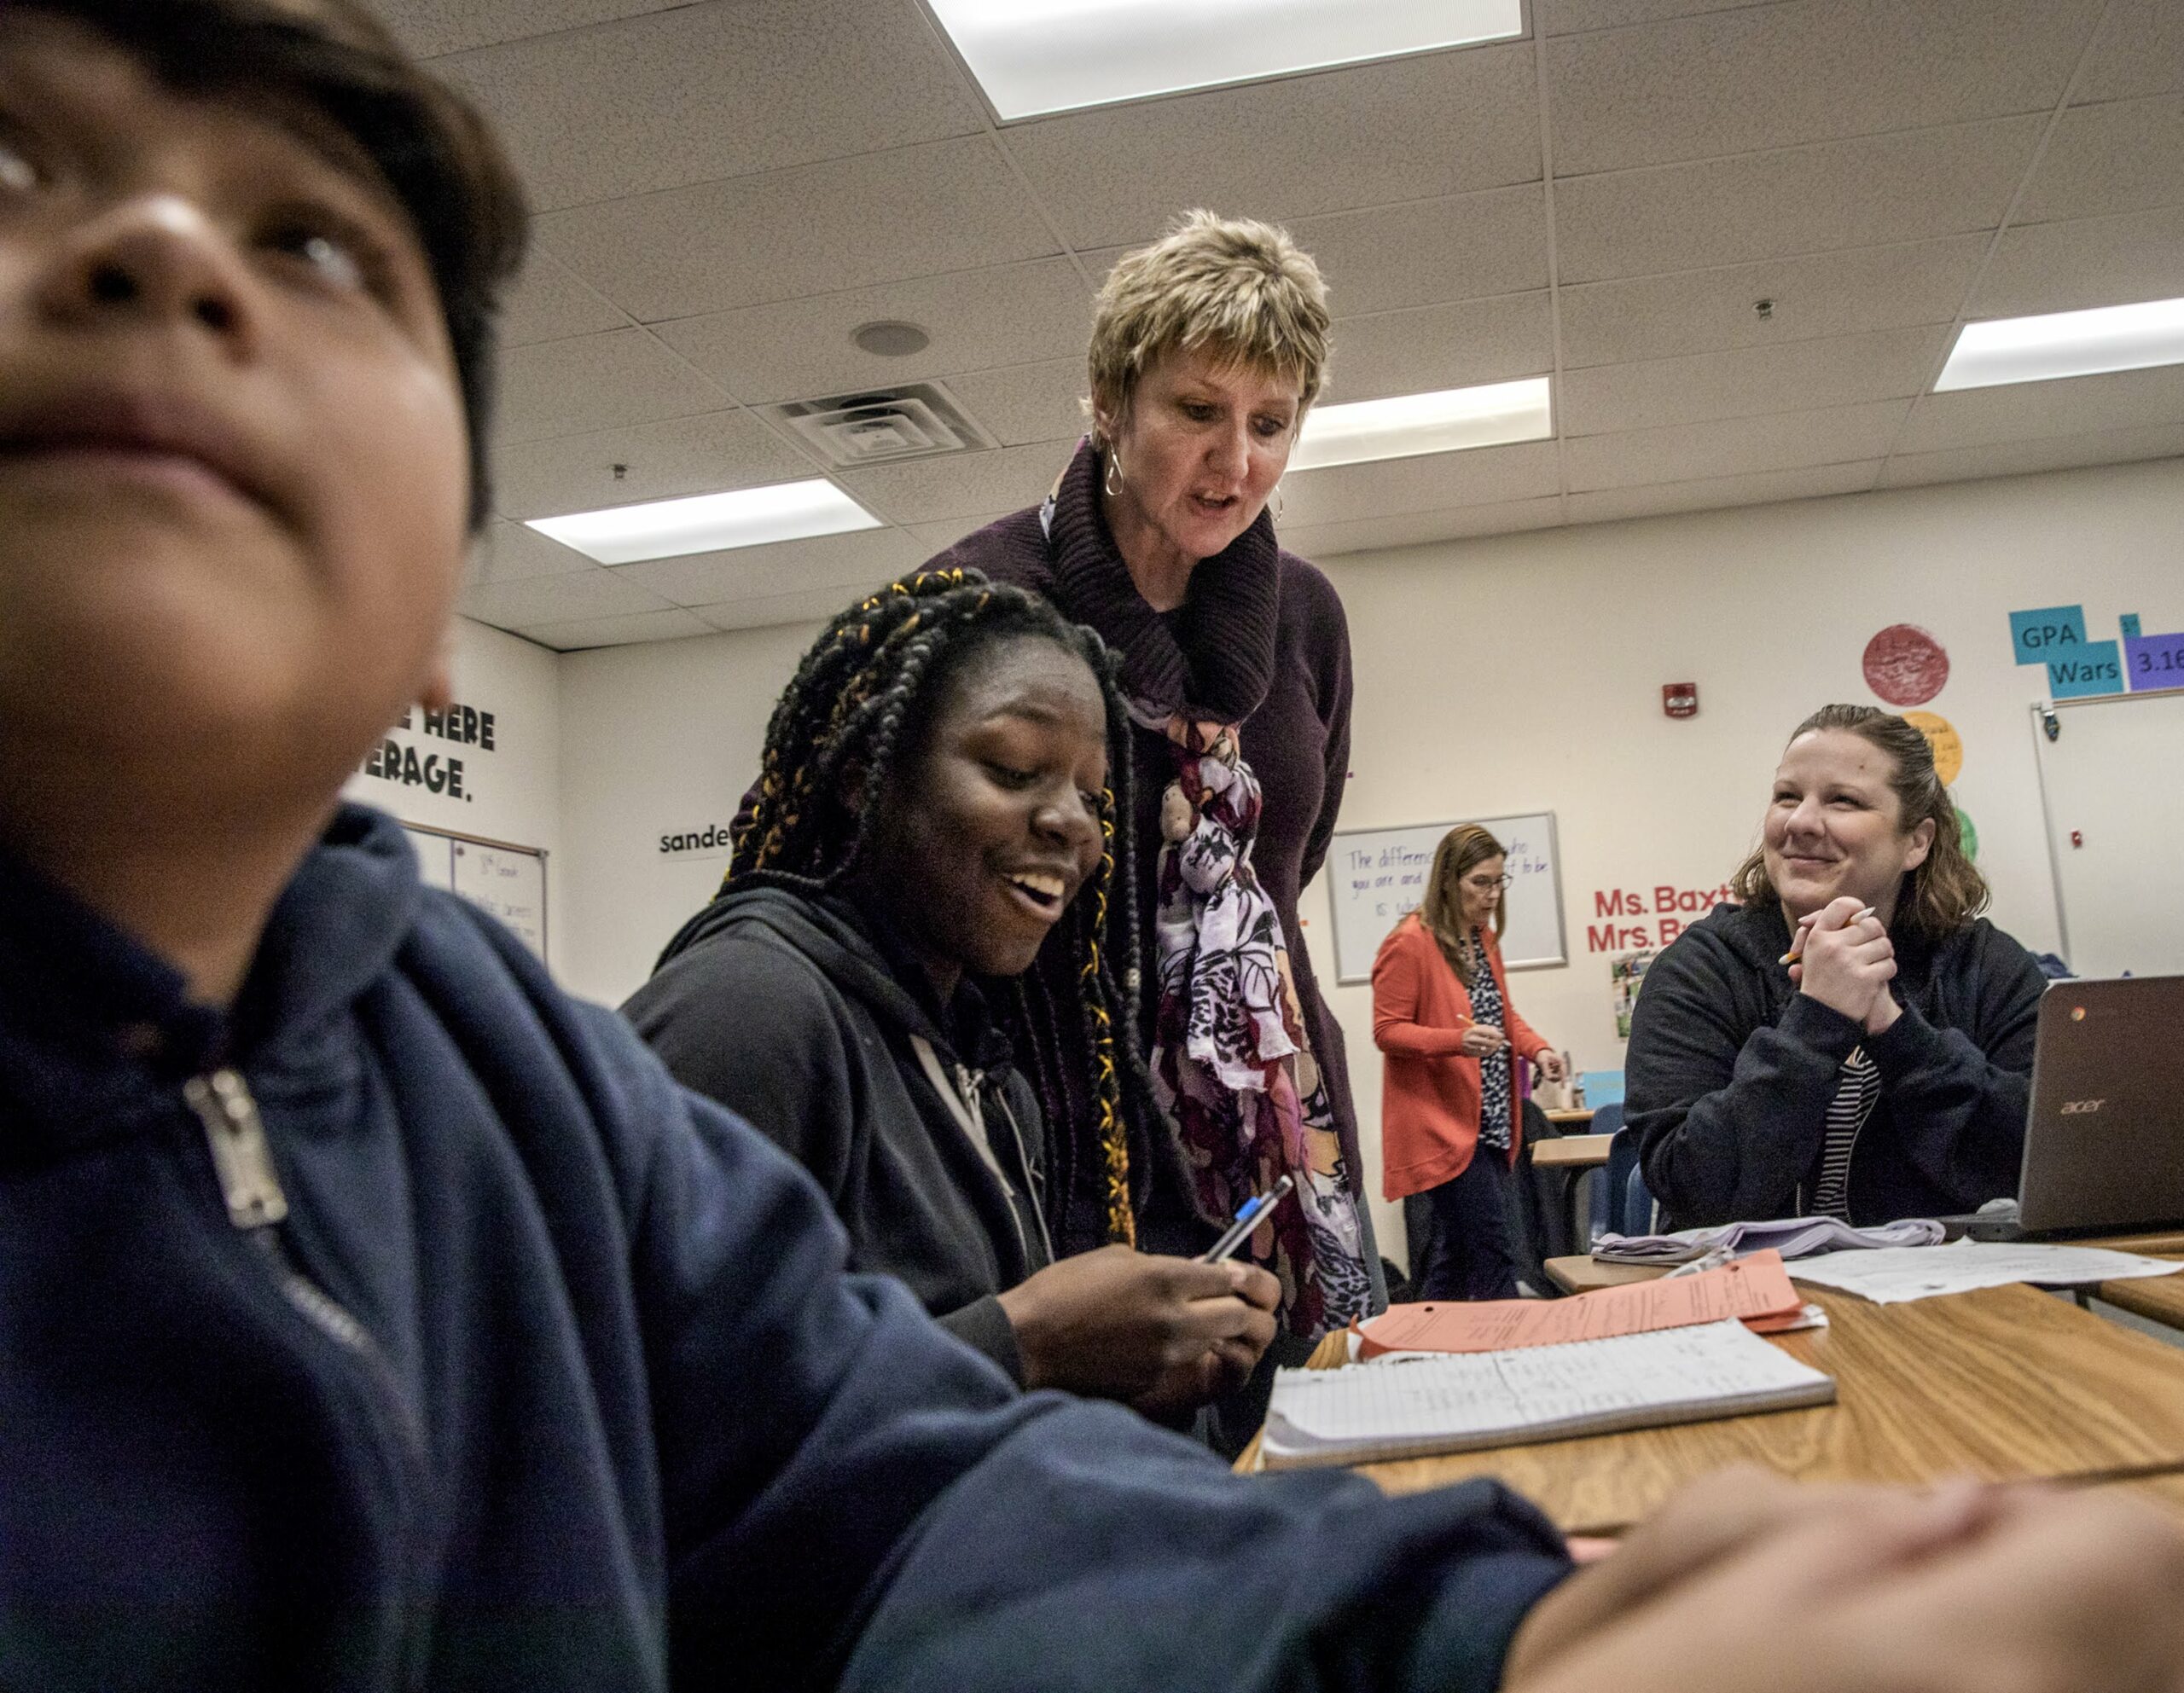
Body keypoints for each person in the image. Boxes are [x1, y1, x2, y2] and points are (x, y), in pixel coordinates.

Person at [9, 7, 2184, 1691]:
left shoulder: (481, 1052)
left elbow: (881, 1492)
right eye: (20, 162)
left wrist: (1483, 1633)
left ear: (431, 568)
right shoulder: (755, 1002)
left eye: (313, 249)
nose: (161, 260)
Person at [625, 572, 1277, 1417]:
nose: (1075, 824)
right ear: (866, 775)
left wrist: (1132, 1375)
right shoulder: (745, 1013)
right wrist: (1026, 1343)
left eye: (1089, 794)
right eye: (1013, 770)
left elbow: (962, 1392)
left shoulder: (979, 1054)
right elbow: (655, 1416)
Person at [929, 211, 1377, 1344]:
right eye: (1197, 412)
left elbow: (1283, 868)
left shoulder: (1307, 618)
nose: (1237, 465)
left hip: (1282, 1132)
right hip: (1065, 1148)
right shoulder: (976, 606)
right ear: (1108, 402)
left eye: (1270, 424)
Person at [1626, 704, 2048, 1228]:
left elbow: (2041, 1163)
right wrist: (1817, 1018)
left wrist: (1896, 1031)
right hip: (1754, 1295)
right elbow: (1695, 1189)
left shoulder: (1984, 966)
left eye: (1843, 801)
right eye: (1787, 797)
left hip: (1942, 1295)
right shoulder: (1701, 969)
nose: (1801, 822)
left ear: (1916, 842)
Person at [1373, 825, 1566, 1299]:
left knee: (1455, 1259)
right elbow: (1387, 1030)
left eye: (1500, 882)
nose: (1493, 894)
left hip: (1492, 1120)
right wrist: (1455, 1041)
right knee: (1494, 1255)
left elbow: (1502, 1013)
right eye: (1481, 882)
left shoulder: (1483, 940)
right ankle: (1511, 1357)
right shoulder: (1411, 942)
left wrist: (1537, 1049)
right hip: (1444, 1124)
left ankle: (1417, 1352)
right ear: (1448, 880)